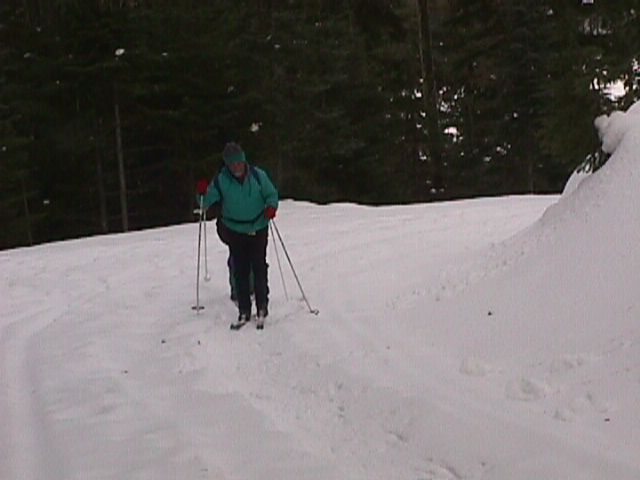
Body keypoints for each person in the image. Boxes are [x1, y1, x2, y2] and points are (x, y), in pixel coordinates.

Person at [196, 142, 278, 325]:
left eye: (239, 163)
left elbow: (271, 194)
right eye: (232, 164)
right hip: (234, 230)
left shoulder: (258, 175)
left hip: (258, 226)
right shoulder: (221, 180)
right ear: (227, 165)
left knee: (259, 267)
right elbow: (205, 202)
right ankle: (244, 310)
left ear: (244, 161)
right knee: (240, 270)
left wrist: (271, 207)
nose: (236, 167)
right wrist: (202, 193)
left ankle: (262, 306)